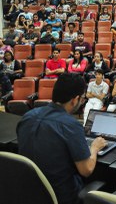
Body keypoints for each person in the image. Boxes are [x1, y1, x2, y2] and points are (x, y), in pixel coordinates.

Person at [17, 73, 107, 204]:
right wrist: (94, 148)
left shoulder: (27, 117)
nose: (82, 101)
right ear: (75, 99)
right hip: (62, 197)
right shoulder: (71, 125)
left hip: (28, 193)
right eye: (82, 99)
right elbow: (86, 170)